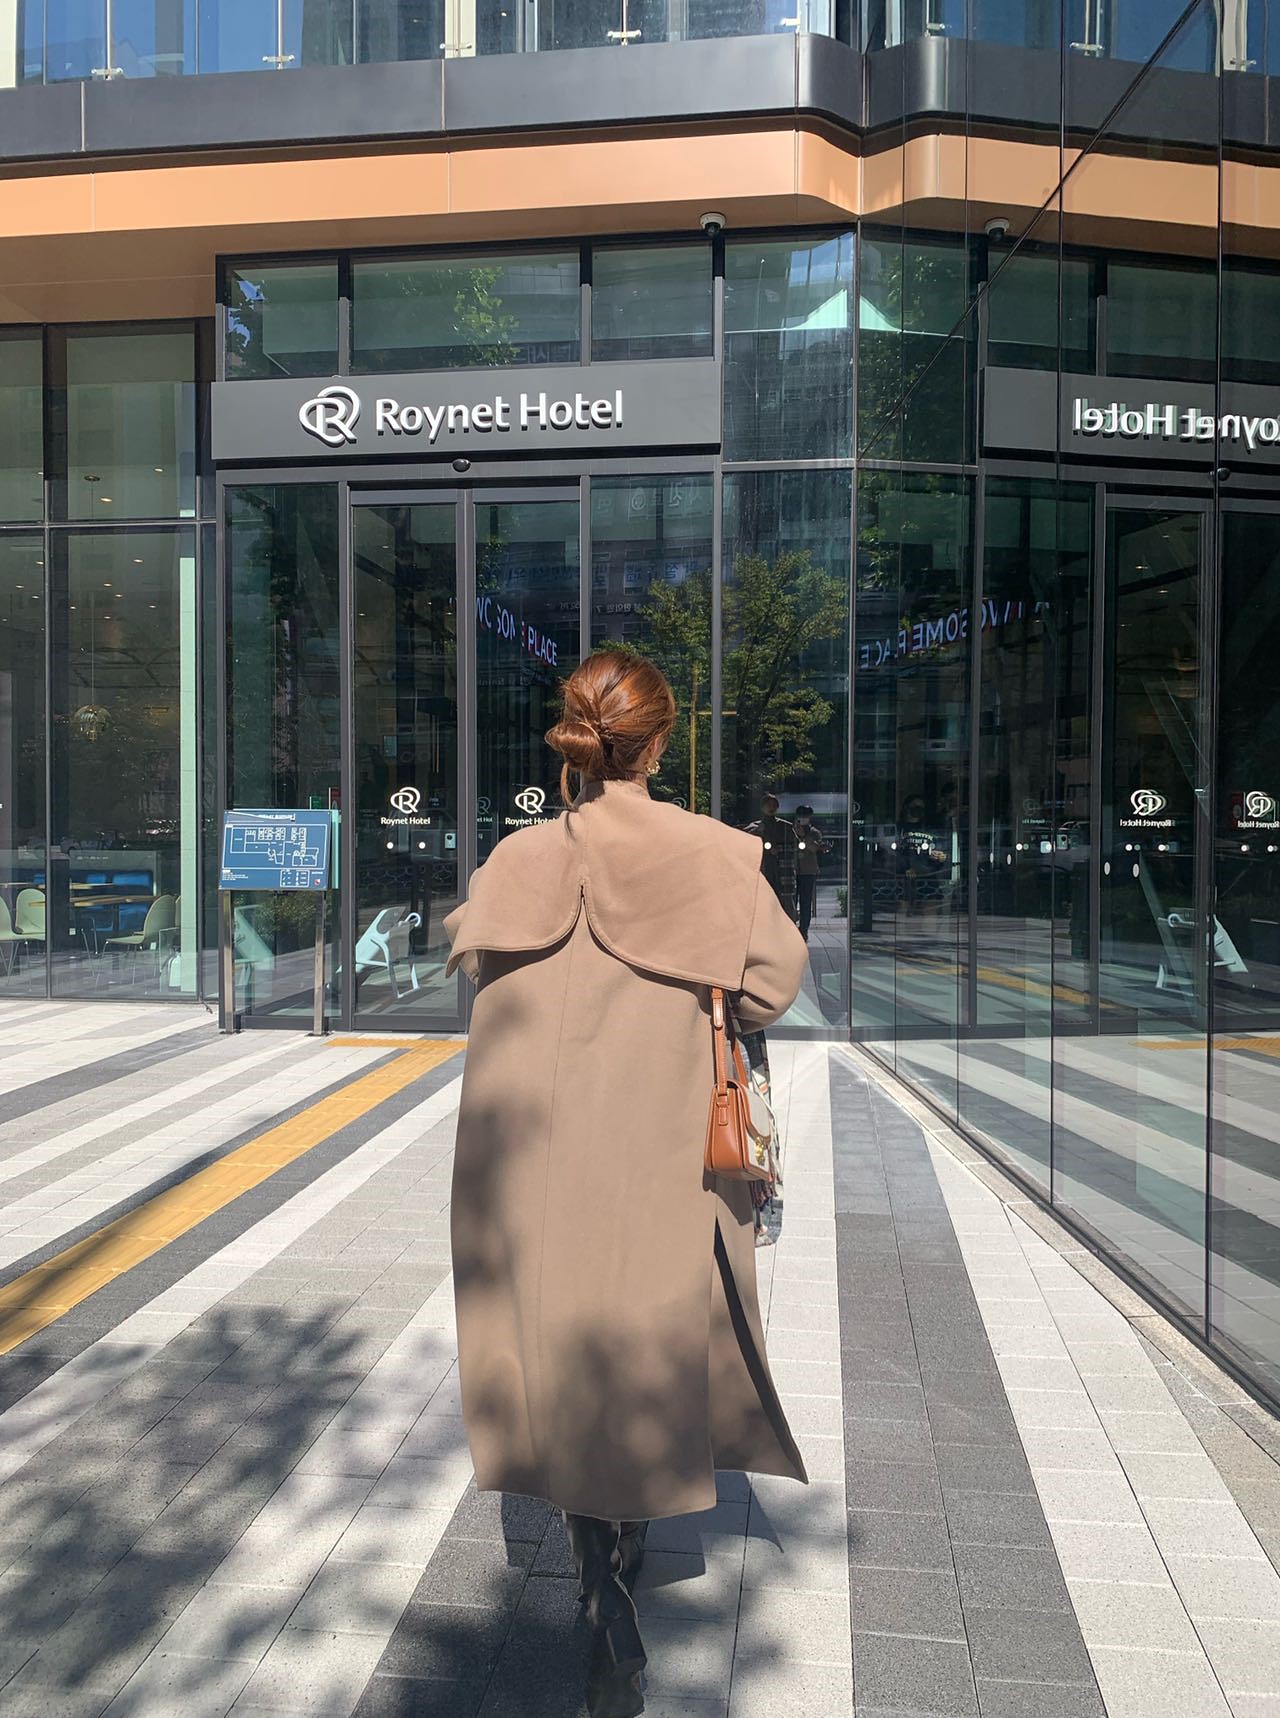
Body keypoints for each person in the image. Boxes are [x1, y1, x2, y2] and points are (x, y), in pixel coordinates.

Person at [444, 651, 809, 1718]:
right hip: (656, 1140)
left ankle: (595, 1574)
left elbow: (474, 962)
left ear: (575, 738)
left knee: (556, 1334)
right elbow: (773, 986)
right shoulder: (713, 855)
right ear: (658, 742)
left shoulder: (514, 857)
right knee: (645, 1330)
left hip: (524, 1153)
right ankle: (620, 1562)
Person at [744, 791, 798, 921]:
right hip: (764, 867)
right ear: (762, 807)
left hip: (783, 869)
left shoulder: (785, 826)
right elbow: (748, 844)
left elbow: (796, 845)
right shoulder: (755, 827)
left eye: (774, 805)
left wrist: (781, 849)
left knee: (786, 900)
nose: (771, 808)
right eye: (768, 805)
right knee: (763, 898)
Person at [792, 804, 829, 940]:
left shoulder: (814, 832)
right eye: (801, 816)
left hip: (808, 871)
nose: (803, 818)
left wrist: (804, 836)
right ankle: (790, 929)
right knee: (791, 901)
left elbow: (814, 848)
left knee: (806, 902)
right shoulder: (790, 830)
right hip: (791, 870)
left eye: (806, 816)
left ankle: (804, 930)